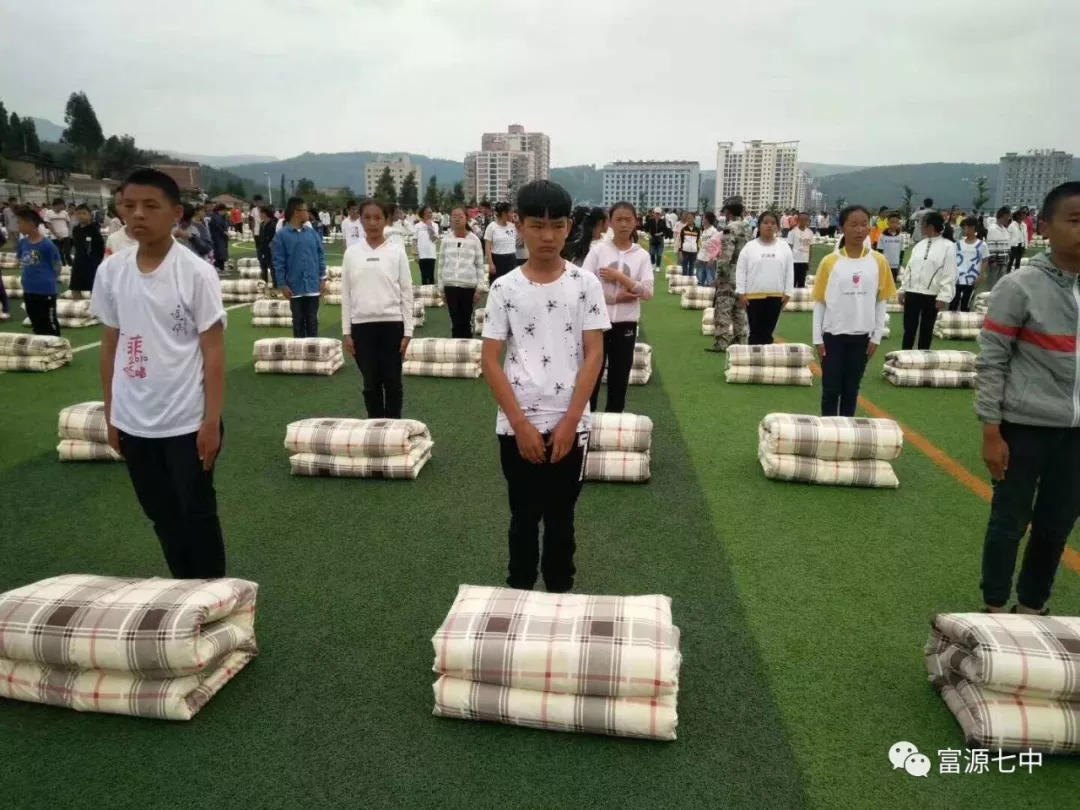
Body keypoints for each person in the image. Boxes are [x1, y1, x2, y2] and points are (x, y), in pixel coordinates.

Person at [90, 168, 227, 580]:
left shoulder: (196, 273)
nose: (138, 215)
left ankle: (213, 598)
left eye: (151, 206)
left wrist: (211, 420)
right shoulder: (112, 272)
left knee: (197, 512)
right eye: (128, 206)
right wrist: (113, 414)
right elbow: (111, 344)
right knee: (161, 515)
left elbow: (214, 349)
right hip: (134, 419)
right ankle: (181, 592)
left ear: (175, 214)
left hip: (186, 420)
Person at [480, 180, 610, 593]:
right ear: (519, 225)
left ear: (570, 226)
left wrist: (573, 420)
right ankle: (518, 598)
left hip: (571, 424)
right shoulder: (504, 288)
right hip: (518, 426)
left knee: (561, 521)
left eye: (556, 225)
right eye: (537, 225)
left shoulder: (584, 284)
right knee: (522, 519)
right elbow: (490, 359)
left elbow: (594, 354)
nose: (548, 236)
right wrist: (519, 424)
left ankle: (558, 600)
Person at [975, 181, 1080, 616]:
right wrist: (991, 430)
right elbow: (992, 362)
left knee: (1056, 526)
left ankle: (1033, 605)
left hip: (1075, 434)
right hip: (1024, 427)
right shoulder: (1019, 287)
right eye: (1074, 220)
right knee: (1009, 521)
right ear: (1045, 227)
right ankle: (996, 605)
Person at [811, 205, 896, 417]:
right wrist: (817, 338)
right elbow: (820, 302)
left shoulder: (878, 261)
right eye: (853, 225)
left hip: (861, 337)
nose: (859, 230)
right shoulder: (830, 262)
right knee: (831, 389)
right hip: (833, 335)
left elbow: (881, 300)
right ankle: (830, 433)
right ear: (842, 227)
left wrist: (876, 336)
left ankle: (847, 433)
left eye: (864, 224)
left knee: (851, 389)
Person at [341, 200, 413, 418]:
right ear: (360, 219)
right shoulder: (351, 254)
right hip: (362, 327)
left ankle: (393, 429)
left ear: (385, 220)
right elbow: (347, 295)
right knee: (370, 383)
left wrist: (408, 331)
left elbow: (406, 292)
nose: (372, 223)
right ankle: (374, 428)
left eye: (377, 217)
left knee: (392, 381)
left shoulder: (397, 252)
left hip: (392, 325)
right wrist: (347, 332)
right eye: (367, 217)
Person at [582, 201, 653, 413]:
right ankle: (587, 423)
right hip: (597, 324)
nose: (623, 224)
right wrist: (615, 299)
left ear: (635, 222)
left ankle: (613, 423)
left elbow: (648, 292)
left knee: (619, 378)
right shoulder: (598, 251)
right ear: (610, 223)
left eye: (628, 219)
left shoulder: (642, 256)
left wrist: (620, 277)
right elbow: (584, 286)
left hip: (626, 324)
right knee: (591, 377)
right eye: (618, 219)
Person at [898, 212, 956, 350]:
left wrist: (943, 296)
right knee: (909, 329)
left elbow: (949, 272)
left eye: (923, 224)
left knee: (926, 329)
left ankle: (922, 358)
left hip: (931, 294)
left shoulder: (948, 246)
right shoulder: (919, 245)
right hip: (912, 292)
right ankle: (905, 357)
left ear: (930, 226)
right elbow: (910, 268)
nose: (921, 227)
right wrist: (903, 289)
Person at [271, 197, 327, 338]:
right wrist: (282, 285)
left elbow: (320, 256)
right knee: (298, 322)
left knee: (312, 321)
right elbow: (278, 263)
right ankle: (300, 355)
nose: (308, 213)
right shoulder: (281, 236)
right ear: (297, 212)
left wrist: (323, 279)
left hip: (313, 285)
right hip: (294, 286)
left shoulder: (312, 233)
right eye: (306, 210)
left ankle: (313, 352)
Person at [736, 211, 794, 345]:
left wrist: (788, 292)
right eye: (766, 222)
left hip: (776, 295)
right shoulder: (750, 247)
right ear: (759, 225)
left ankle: (766, 362)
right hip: (753, 296)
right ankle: (752, 361)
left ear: (777, 227)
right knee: (755, 332)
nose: (769, 226)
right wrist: (741, 292)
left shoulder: (783, 247)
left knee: (768, 332)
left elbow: (789, 270)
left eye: (773, 223)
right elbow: (741, 270)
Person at [706, 201, 751, 353]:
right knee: (739, 308)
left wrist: (719, 275)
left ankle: (722, 341)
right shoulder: (747, 227)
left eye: (725, 211)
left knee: (723, 307)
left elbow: (726, 254)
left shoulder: (730, 228)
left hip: (730, 273)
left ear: (729, 213)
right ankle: (740, 338)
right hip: (743, 273)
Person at [437, 205, 485, 339]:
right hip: (450, 286)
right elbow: (441, 264)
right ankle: (456, 350)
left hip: (468, 286)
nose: (457, 219)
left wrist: (479, 289)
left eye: (460, 216)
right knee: (455, 321)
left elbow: (480, 265)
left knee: (466, 321)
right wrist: (441, 289)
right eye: (454, 216)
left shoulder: (474, 240)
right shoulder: (446, 239)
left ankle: (467, 350)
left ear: (466, 218)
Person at [15, 207, 62, 335]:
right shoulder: (23, 243)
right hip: (29, 289)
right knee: (36, 322)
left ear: (30, 224)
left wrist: (49, 279)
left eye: (20, 222)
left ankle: (56, 348)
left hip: (45, 290)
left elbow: (57, 266)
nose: (17, 225)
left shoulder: (47, 245)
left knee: (49, 322)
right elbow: (20, 258)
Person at [69, 203, 105, 300]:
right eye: (79, 213)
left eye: (84, 213)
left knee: (94, 289)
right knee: (75, 288)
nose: (81, 215)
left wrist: (97, 261)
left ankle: (94, 310)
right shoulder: (76, 230)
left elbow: (101, 247)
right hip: (78, 262)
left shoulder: (94, 230)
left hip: (91, 263)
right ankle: (79, 309)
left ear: (90, 215)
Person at [951, 217, 987, 312]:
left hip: (971, 280)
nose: (963, 230)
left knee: (965, 305)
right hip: (957, 279)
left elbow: (985, 261)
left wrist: (981, 276)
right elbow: (953, 260)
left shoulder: (982, 245)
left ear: (973, 228)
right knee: (953, 303)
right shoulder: (958, 244)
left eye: (965, 228)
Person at [484, 202, 518, 281]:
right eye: (510, 212)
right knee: (497, 283)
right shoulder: (492, 226)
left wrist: (517, 221)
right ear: (504, 213)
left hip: (511, 259)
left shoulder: (512, 226)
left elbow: (524, 231)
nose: (512, 214)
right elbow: (487, 246)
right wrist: (491, 263)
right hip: (497, 259)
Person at [984, 206, 1014, 292]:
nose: (1009, 218)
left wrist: (1008, 257)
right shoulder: (993, 229)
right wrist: (993, 261)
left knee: (1000, 285)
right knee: (992, 285)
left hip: (1004, 262)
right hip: (996, 263)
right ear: (1003, 215)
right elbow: (991, 246)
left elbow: (1007, 245)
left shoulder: (1004, 229)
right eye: (1008, 216)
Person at [413, 206, 440, 285]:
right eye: (428, 212)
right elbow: (414, 240)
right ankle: (424, 295)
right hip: (422, 255)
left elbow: (434, 239)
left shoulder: (435, 225)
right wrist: (415, 254)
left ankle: (431, 295)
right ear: (423, 214)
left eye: (431, 212)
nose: (430, 214)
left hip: (431, 255)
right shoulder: (417, 226)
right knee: (424, 276)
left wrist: (430, 227)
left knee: (431, 276)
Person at [786, 212, 814, 288]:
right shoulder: (793, 231)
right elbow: (789, 247)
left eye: (806, 219)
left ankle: (800, 298)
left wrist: (809, 262)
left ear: (808, 220)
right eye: (801, 219)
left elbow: (811, 248)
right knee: (792, 281)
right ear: (798, 220)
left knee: (801, 282)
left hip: (804, 260)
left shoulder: (810, 233)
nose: (803, 221)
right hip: (794, 260)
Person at [42, 198, 73, 266]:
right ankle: (63, 265)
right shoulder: (48, 213)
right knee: (59, 252)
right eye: (60, 206)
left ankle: (71, 266)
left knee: (67, 252)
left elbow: (68, 222)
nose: (62, 208)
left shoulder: (64, 213)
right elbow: (48, 224)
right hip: (55, 237)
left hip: (65, 236)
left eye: (62, 206)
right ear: (55, 205)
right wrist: (56, 235)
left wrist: (67, 230)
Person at [876, 213, 905, 282]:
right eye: (892, 222)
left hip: (895, 264)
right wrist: (881, 263)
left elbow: (902, 251)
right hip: (885, 264)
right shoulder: (882, 236)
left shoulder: (901, 236)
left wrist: (899, 264)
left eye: (896, 222)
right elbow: (879, 251)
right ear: (887, 223)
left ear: (898, 223)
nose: (894, 224)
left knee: (893, 283)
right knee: (884, 283)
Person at [695, 211, 721, 287]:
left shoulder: (714, 231)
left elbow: (716, 247)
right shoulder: (704, 231)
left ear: (707, 219)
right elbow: (702, 245)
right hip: (701, 258)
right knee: (700, 280)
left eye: (703, 218)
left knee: (710, 281)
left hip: (710, 260)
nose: (702, 220)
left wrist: (712, 259)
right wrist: (698, 255)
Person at [675, 211, 700, 277]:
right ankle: (684, 282)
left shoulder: (697, 230)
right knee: (684, 267)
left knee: (692, 267)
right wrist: (680, 251)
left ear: (694, 219)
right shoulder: (683, 229)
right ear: (686, 219)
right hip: (685, 251)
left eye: (691, 218)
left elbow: (699, 241)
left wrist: (698, 251)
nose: (689, 219)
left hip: (694, 252)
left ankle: (690, 283)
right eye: (688, 218)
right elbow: (680, 241)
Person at [208, 204, 230, 273]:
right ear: (221, 210)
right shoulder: (216, 217)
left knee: (221, 252)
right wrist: (224, 232)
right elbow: (218, 226)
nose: (225, 212)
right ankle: (218, 267)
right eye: (224, 211)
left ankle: (221, 267)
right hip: (218, 237)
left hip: (220, 237)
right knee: (219, 252)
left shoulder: (219, 216)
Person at [257, 206, 276, 286]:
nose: (259, 214)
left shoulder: (272, 224)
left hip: (270, 250)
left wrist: (270, 246)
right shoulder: (262, 224)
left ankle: (276, 285)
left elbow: (274, 237)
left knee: (272, 268)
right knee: (263, 268)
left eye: (261, 213)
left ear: (265, 213)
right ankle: (264, 285)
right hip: (262, 249)